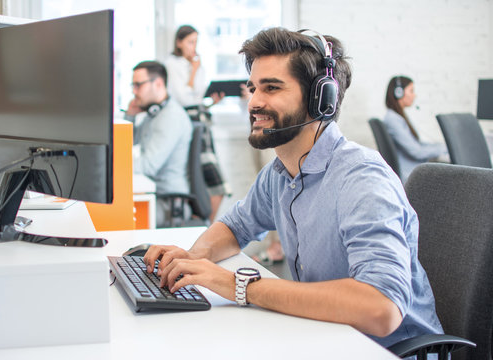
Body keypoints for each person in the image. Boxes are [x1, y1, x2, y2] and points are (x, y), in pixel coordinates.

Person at [143, 28, 443, 349]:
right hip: (326, 337)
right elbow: (235, 226)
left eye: (271, 88)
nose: (254, 102)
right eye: (253, 88)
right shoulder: (279, 172)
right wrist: (191, 259)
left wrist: (238, 285)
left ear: (321, 99)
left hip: (387, 350)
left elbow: (381, 308)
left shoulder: (362, 178)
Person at [164, 25, 231, 222]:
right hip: (188, 122)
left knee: (210, 180)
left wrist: (211, 102)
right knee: (201, 176)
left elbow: (198, 97)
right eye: (190, 42)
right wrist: (193, 71)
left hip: (202, 121)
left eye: (196, 42)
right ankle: (203, 227)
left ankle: (205, 227)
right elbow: (184, 97)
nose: (194, 47)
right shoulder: (172, 64)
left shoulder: (197, 64)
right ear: (179, 42)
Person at [124, 61, 193, 227]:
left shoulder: (171, 117)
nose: (134, 91)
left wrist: (113, 169)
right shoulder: (153, 114)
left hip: (168, 202)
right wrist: (130, 117)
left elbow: (148, 166)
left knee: (118, 217)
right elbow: (130, 143)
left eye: (138, 85)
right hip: (153, 194)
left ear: (159, 83)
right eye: (133, 85)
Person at [383, 76, 448, 182]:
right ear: (399, 93)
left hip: (412, 171)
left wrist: (441, 146)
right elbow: (416, 151)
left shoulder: (396, 117)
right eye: (411, 91)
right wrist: (444, 149)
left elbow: (417, 144)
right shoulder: (393, 119)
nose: (414, 95)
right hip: (411, 175)